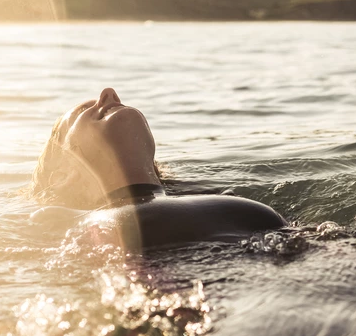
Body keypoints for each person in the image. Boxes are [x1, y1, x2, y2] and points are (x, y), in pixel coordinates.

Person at [30, 87, 287, 250]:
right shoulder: (58, 221)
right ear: (61, 176)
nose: (110, 94)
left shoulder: (243, 209)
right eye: (84, 110)